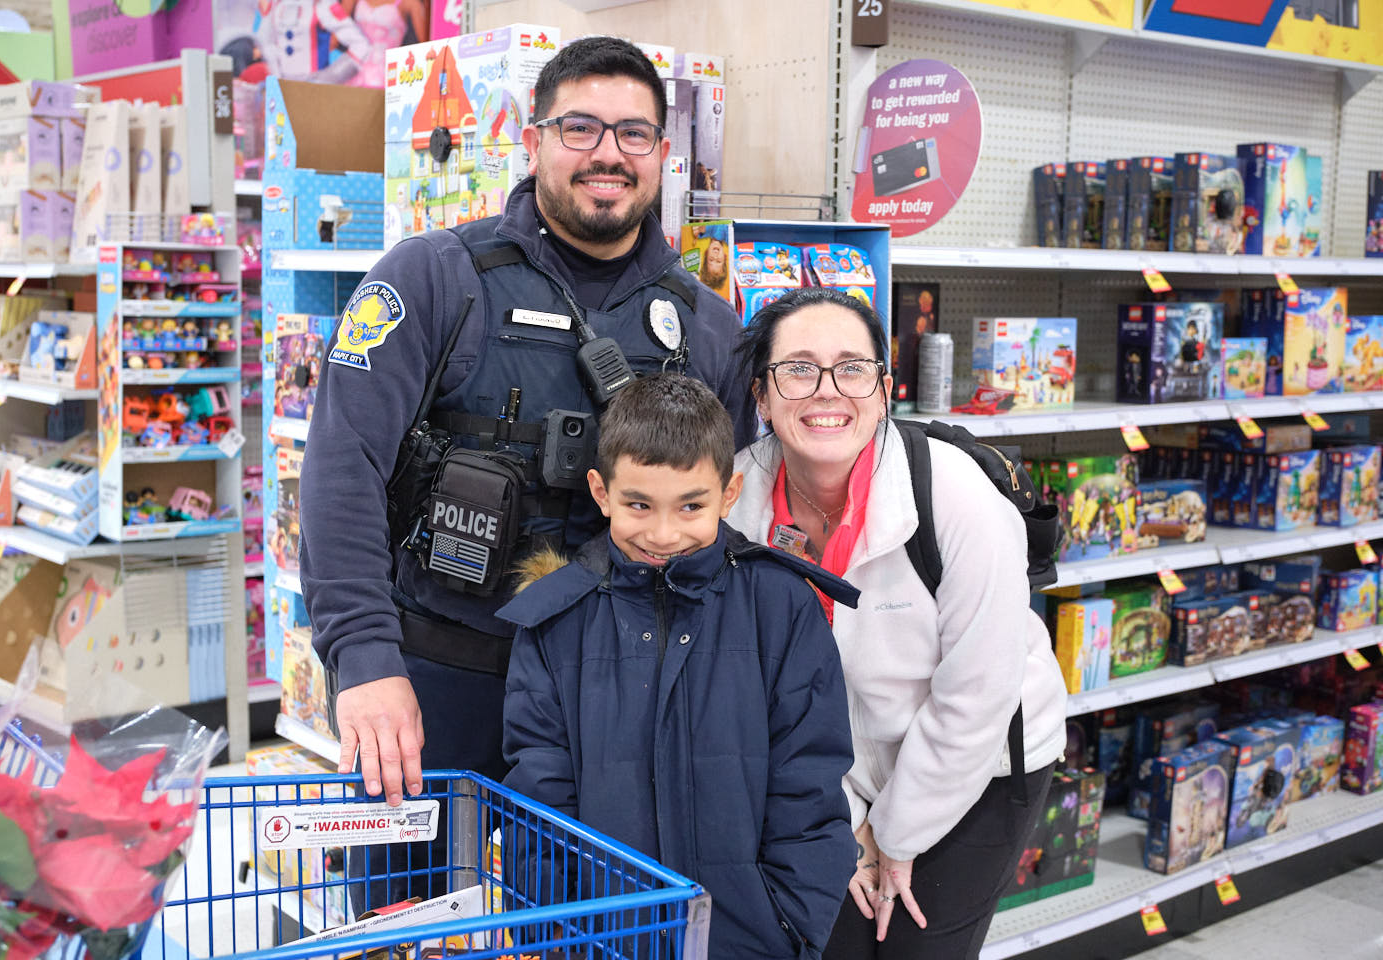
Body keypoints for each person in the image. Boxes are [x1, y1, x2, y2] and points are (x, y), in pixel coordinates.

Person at [299, 36, 752, 909]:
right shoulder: (431, 280)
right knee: (408, 926)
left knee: (593, 931)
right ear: (533, 139)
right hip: (432, 691)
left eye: (634, 133)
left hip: (620, 710)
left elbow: (725, 525)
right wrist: (362, 659)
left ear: (663, 154)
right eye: (580, 127)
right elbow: (339, 468)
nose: (609, 153)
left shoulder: (709, 330)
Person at [729, 288, 1067, 959]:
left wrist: (895, 835)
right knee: (837, 942)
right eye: (797, 369)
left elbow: (978, 693)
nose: (827, 392)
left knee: (918, 946)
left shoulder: (957, 498)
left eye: (852, 368)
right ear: (761, 397)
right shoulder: (734, 506)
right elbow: (756, 691)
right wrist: (848, 822)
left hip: (983, 764)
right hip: (833, 770)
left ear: (884, 390)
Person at [498, 373, 856, 959]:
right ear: (600, 491)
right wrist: (552, 934)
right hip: (601, 941)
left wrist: (791, 925)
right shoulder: (555, 620)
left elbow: (810, 783)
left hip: (750, 941)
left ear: (731, 492)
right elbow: (538, 796)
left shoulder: (781, 606)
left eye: (692, 506)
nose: (664, 534)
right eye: (639, 504)